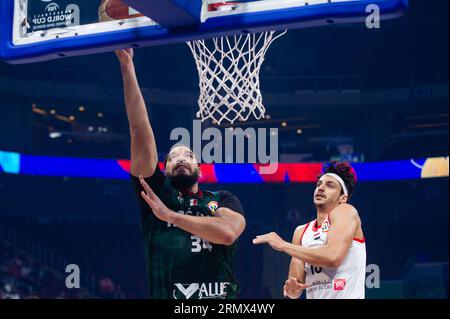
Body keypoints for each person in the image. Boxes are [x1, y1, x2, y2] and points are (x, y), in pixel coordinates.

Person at [116, 48, 246, 299]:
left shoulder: (222, 198)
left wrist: (170, 216)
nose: (181, 159)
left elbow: (228, 233)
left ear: (200, 168)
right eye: (173, 157)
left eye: (188, 155)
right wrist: (127, 66)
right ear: (164, 169)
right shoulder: (156, 194)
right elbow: (139, 129)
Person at [253, 162, 366, 299]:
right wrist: (291, 289)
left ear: (342, 198)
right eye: (319, 184)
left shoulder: (346, 211)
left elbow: (333, 256)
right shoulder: (301, 232)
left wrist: (283, 245)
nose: (321, 188)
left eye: (330, 185)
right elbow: (295, 290)